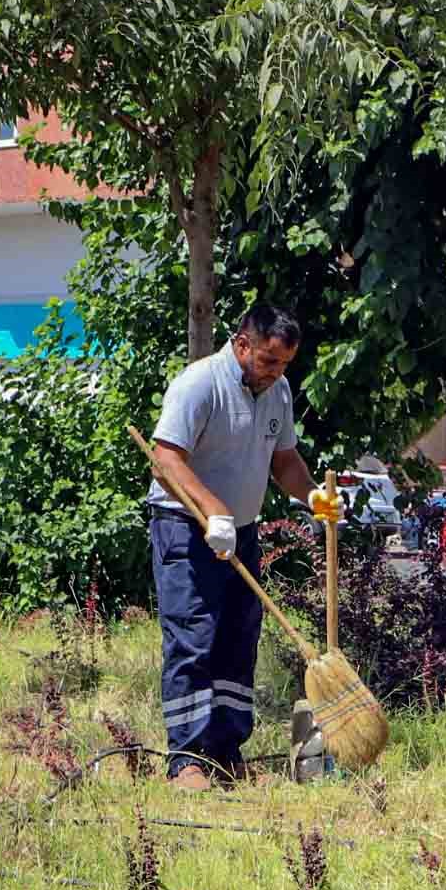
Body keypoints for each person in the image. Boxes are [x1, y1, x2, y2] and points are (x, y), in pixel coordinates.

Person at [145, 304, 339, 789]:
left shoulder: (277, 392)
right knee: (194, 638)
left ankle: (226, 751)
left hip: (240, 531)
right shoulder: (199, 384)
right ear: (242, 344)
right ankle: (186, 760)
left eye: (285, 364)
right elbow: (165, 461)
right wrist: (213, 510)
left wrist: (312, 496)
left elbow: (285, 460)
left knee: (237, 639)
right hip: (186, 528)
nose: (276, 373)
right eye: (269, 361)